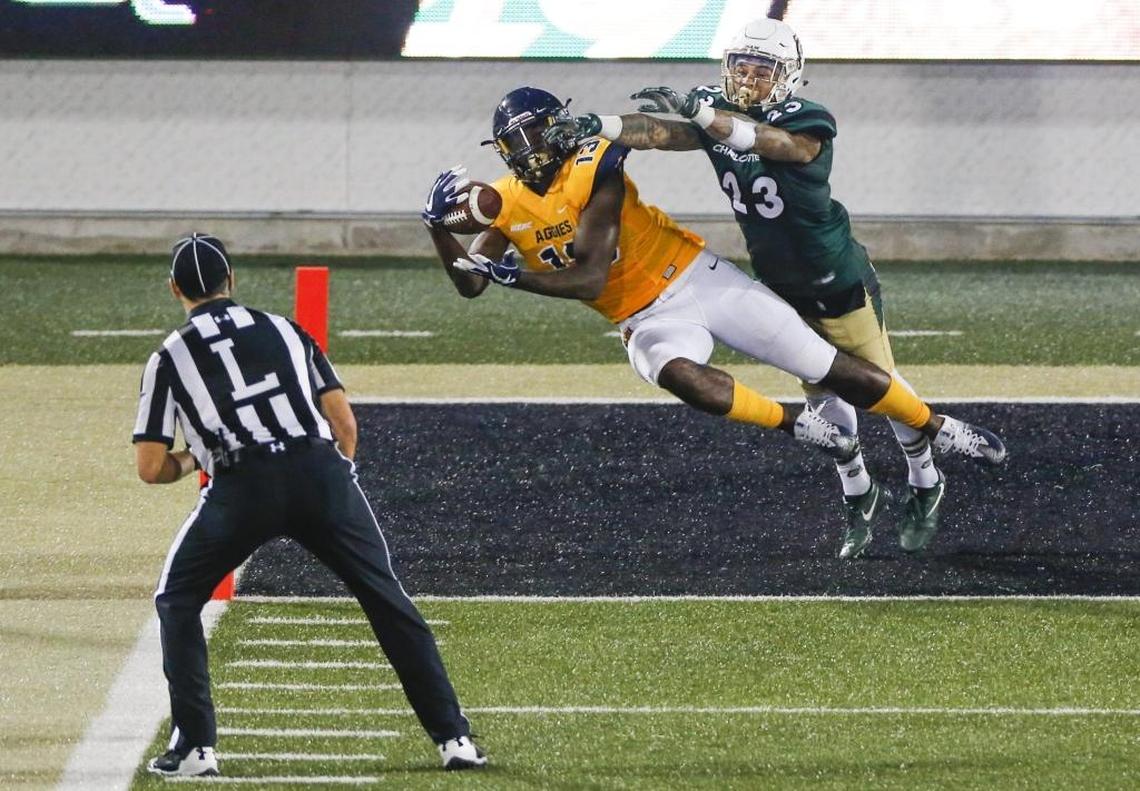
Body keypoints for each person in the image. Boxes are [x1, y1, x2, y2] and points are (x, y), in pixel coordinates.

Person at [423, 87, 1005, 498]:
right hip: (643, 318)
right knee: (678, 374)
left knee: (825, 364)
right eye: (514, 142)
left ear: (559, 128)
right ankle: (798, 424)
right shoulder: (505, 200)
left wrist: (511, 276)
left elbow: (589, 276)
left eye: (534, 135)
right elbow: (470, 283)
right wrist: (438, 228)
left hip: (696, 277)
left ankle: (939, 426)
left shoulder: (593, 164)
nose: (527, 150)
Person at [545, 18, 963, 559]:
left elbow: (776, 143)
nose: (747, 79)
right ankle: (859, 492)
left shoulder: (805, 118)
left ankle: (926, 479)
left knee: (879, 387)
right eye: (740, 67)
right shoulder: (716, 113)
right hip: (778, 279)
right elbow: (658, 133)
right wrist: (596, 124)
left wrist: (704, 114)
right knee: (819, 388)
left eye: (761, 70)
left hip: (834, 276)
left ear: (787, 75)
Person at [133, 233, 486, 777]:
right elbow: (344, 424)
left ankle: (195, 749)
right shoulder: (285, 328)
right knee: (386, 599)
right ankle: (454, 739)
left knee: (177, 600)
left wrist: (195, 457)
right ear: (232, 280)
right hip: (319, 471)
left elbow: (151, 467)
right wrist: (334, 480)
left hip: (242, 483)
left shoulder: (168, 357)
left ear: (174, 288)